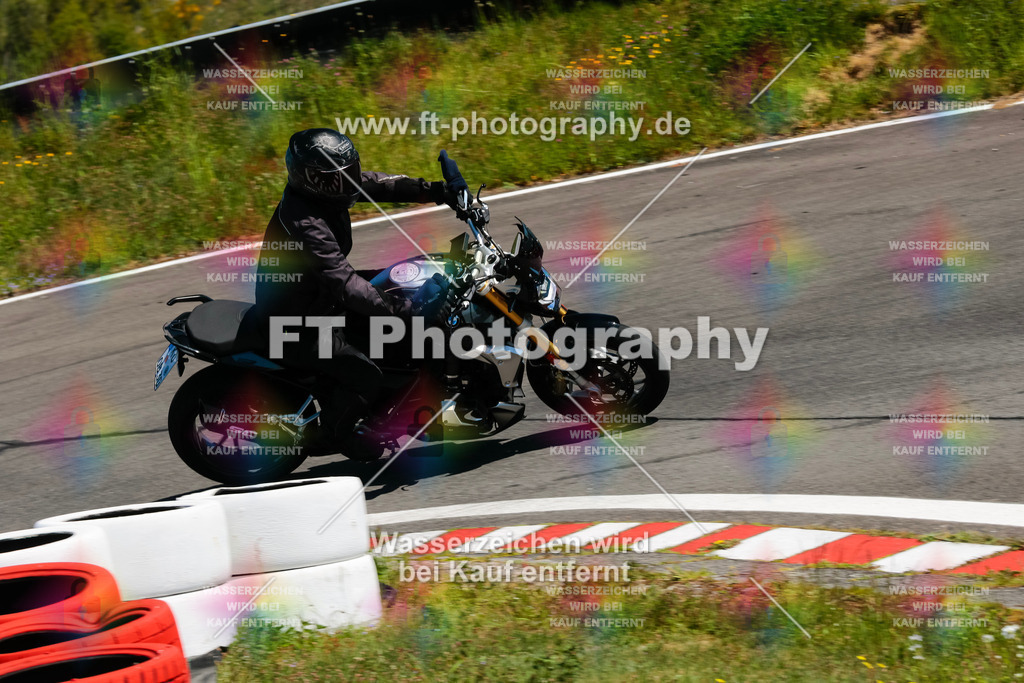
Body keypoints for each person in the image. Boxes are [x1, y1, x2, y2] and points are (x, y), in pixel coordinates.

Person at [252, 128, 463, 455]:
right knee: (364, 371)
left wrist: (440, 191)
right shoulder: (304, 221)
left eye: (350, 171)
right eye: (341, 177)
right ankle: (340, 435)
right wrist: (406, 310)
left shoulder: (329, 189)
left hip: (318, 295)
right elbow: (345, 284)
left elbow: (382, 183)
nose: (351, 181)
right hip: (295, 322)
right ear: (313, 179)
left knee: (407, 279)